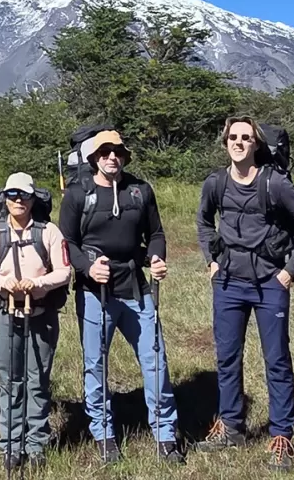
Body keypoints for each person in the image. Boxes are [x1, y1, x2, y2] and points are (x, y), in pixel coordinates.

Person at [196, 117, 294, 473]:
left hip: (269, 282)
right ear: (225, 143)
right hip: (228, 283)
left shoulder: (275, 184)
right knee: (227, 358)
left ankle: (281, 435)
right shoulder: (216, 183)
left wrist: (289, 271)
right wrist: (211, 261)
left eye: (246, 138)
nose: (238, 142)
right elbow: (204, 221)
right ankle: (232, 426)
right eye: (233, 137)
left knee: (277, 360)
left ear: (256, 144)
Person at [58, 130, 183, 465]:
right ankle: (103, 435)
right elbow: (66, 241)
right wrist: (85, 267)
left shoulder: (140, 191)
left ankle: (165, 435)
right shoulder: (77, 194)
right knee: (96, 365)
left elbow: (155, 233)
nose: (112, 157)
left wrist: (156, 257)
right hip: (94, 291)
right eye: (105, 152)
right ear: (93, 158)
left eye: (118, 152)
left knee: (156, 360)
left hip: (135, 287)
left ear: (125, 156)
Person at [0, 172, 70, 469]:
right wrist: (5, 284)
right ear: (5, 198)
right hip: (4, 313)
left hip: (41, 313)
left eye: (23, 195)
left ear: (32, 199)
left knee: (38, 380)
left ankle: (37, 443)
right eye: (12, 195)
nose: (18, 200)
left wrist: (36, 283)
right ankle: (11, 444)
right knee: (10, 381)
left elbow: (64, 271)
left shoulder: (49, 232)